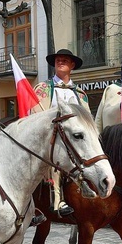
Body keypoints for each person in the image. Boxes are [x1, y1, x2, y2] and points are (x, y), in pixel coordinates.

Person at [32, 49, 89, 216]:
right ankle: (57, 200)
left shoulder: (80, 94)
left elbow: (86, 122)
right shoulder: (42, 89)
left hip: (74, 141)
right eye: (58, 60)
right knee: (58, 157)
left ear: (72, 65)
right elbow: (35, 116)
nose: (61, 62)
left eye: (65, 60)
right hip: (50, 139)